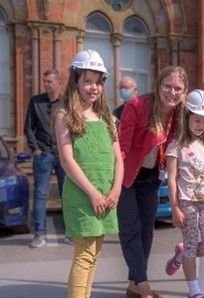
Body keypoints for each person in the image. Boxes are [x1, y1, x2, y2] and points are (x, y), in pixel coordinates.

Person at [54, 49, 123, 298]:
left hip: (106, 196)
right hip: (83, 196)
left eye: (97, 82)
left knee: (95, 254)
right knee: (84, 255)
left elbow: (118, 158)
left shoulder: (108, 119)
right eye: (87, 81)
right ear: (76, 82)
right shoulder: (65, 116)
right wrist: (93, 193)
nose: (93, 87)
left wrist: (115, 190)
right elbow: (66, 159)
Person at [118, 66, 189, 298]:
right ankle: (144, 287)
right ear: (158, 85)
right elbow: (123, 147)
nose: (172, 92)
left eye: (178, 88)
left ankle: (133, 286)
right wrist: (116, 182)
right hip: (127, 175)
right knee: (131, 229)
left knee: (147, 231)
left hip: (150, 176)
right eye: (167, 86)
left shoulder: (179, 114)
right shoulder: (137, 106)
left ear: (184, 91)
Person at [164, 89, 204, 298]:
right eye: (197, 120)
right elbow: (172, 179)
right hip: (187, 203)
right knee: (192, 246)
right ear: (187, 118)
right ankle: (194, 291)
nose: (201, 126)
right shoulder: (176, 145)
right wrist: (175, 208)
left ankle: (181, 254)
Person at [24, 69, 70, 248]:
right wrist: (35, 149)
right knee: (40, 194)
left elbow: (75, 126)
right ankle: (39, 234)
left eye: (49, 81)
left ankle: (70, 233)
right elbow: (28, 128)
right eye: (45, 81)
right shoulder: (36, 102)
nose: (46, 84)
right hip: (43, 154)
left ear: (59, 82)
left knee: (67, 194)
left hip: (64, 154)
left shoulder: (67, 102)